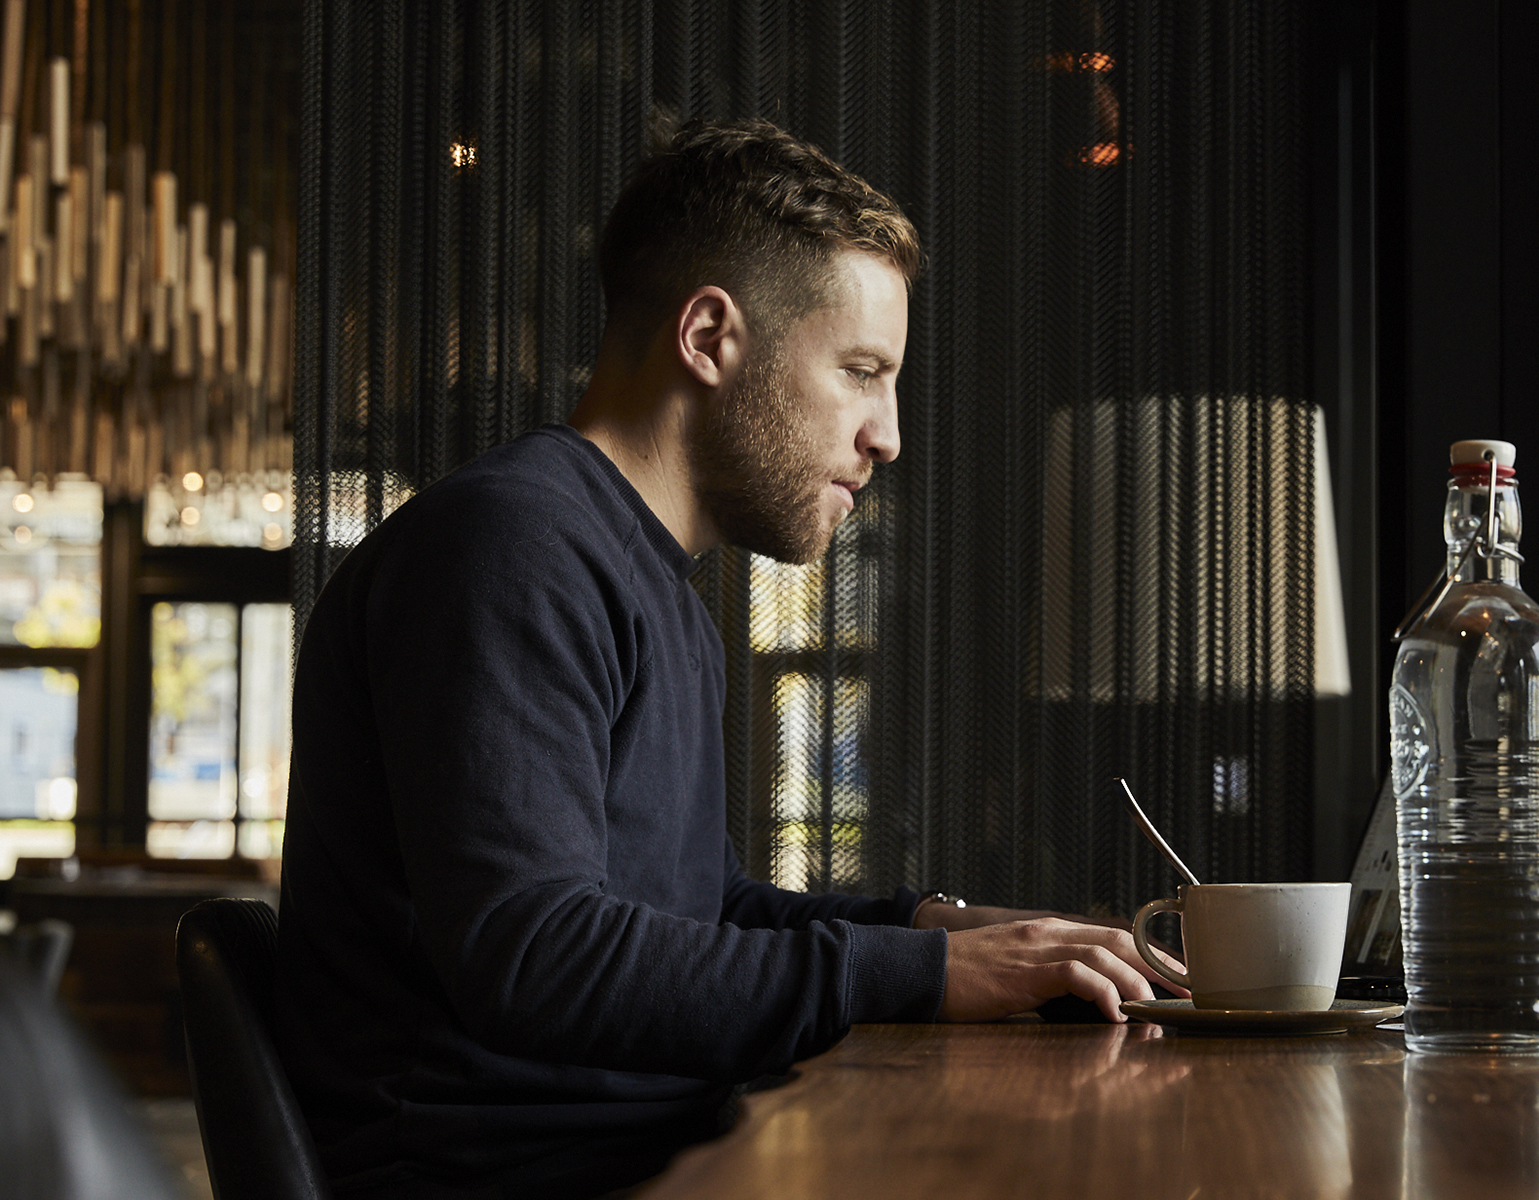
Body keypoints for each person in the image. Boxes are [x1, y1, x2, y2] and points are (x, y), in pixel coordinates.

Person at [274, 117, 1172, 1200]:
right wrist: (930, 972)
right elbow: (535, 954)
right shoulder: (510, 549)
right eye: (860, 371)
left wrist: (935, 929)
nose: (887, 435)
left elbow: (694, 912)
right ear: (708, 337)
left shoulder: (648, 584)